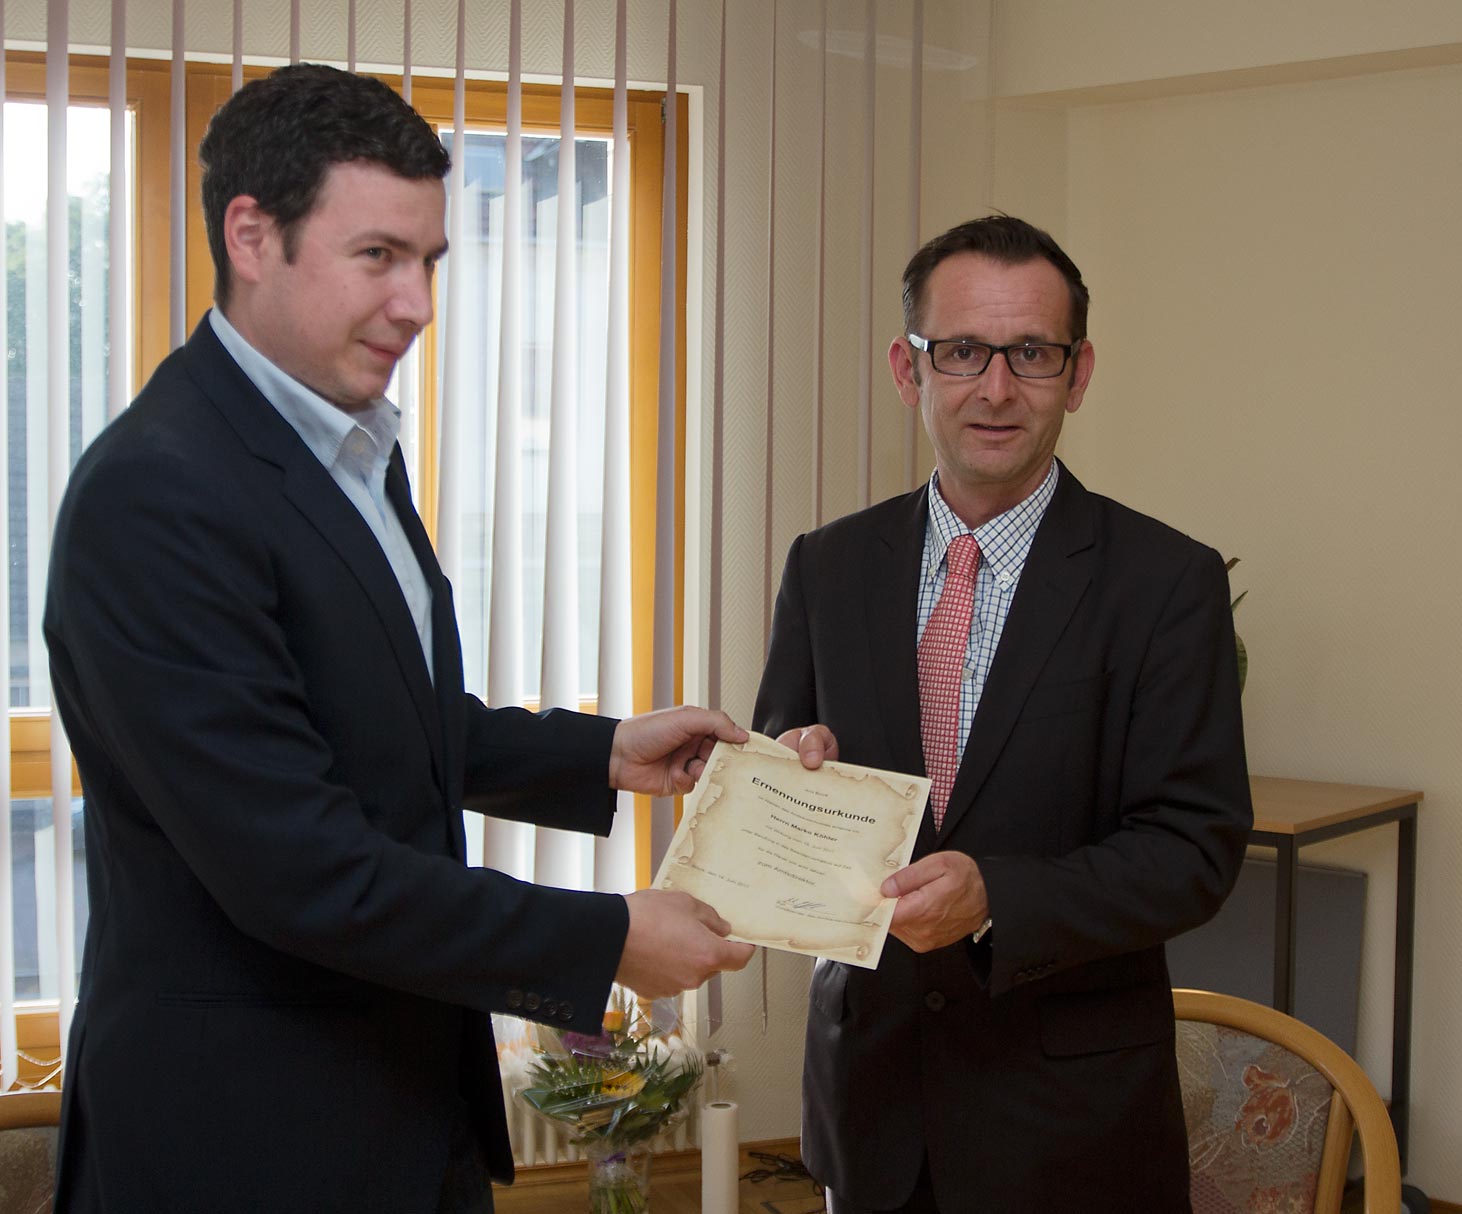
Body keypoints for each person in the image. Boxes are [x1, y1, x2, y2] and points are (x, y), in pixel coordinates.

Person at [43, 64, 753, 1213]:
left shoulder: (350, 443)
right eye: (378, 255)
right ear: (252, 236)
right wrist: (607, 936)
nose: (417, 303)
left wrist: (603, 750)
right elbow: (301, 869)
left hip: (406, 1112)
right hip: (243, 1144)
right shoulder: (157, 492)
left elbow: (376, 719)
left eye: (429, 261)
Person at [753, 214, 1252, 1213]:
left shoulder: (1166, 583)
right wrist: (790, 773)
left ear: (1079, 372)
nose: (995, 387)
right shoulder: (828, 565)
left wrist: (997, 898)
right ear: (908, 369)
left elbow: (1193, 849)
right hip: (872, 1112)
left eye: (1031, 352)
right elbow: (783, 767)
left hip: (1072, 1131)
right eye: (963, 351)